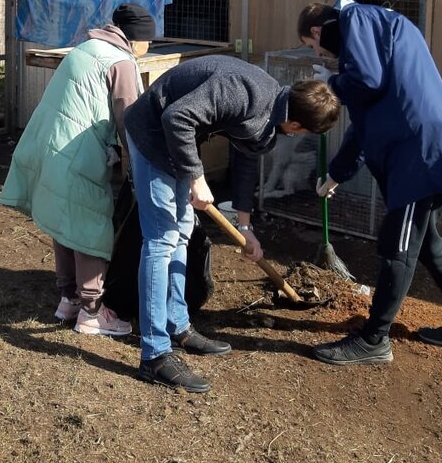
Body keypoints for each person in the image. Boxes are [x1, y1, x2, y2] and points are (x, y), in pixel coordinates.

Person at [299, 0, 442, 366]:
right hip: (424, 143)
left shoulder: (355, 18)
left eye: (315, 48)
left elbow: (366, 82)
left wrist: (332, 85)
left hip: (416, 150)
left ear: (316, 31)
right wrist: (337, 174)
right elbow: (364, 121)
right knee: (427, 243)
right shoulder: (377, 33)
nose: (323, 56)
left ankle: (374, 339)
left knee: (398, 245)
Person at [124, 55, 340, 392]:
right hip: (152, 134)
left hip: (177, 144)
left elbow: (246, 158)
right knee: (162, 240)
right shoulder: (246, 92)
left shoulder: (271, 110)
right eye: (303, 133)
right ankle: (154, 355)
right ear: (297, 126)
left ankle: (177, 325)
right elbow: (176, 116)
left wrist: (245, 227)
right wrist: (197, 178)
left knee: (181, 234)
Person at [0, 3, 156, 337]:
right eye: (148, 41)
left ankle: (68, 298)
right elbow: (130, 121)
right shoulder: (121, 62)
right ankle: (92, 312)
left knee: (65, 222)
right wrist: (137, 166)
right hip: (76, 152)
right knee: (89, 224)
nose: (149, 47)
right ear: (135, 38)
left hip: (48, 143)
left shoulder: (86, 48)